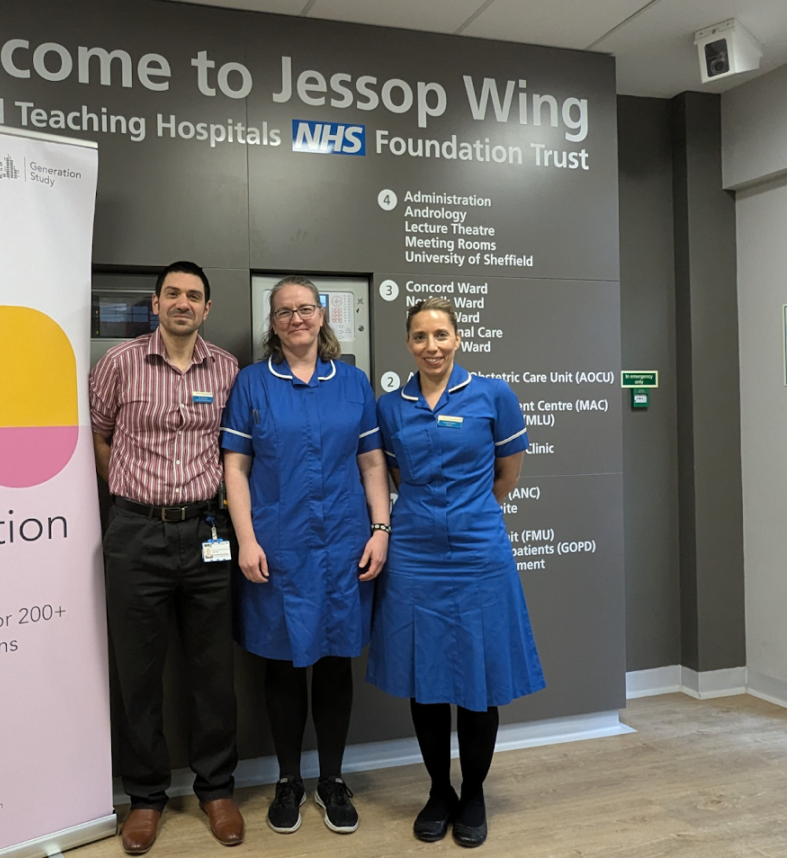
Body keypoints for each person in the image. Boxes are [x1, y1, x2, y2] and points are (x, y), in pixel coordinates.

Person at [367, 297, 545, 848]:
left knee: (477, 677)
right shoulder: (390, 406)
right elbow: (395, 473)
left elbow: (507, 473)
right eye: (420, 337)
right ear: (408, 343)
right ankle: (439, 790)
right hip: (414, 551)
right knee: (425, 677)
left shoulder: (493, 395)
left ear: (458, 338)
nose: (432, 346)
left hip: (478, 550)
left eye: (440, 335)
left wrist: (466, 513)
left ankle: (474, 793)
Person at [220, 275, 390, 836]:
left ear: (322, 316)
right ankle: (289, 780)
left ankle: (333, 780)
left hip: (344, 542)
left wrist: (380, 529)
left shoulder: (353, 383)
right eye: (284, 311)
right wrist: (246, 539)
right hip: (278, 546)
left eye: (306, 309)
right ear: (272, 324)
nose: (296, 318)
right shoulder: (252, 383)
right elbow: (236, 467)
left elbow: (371, 463)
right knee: (284, 663)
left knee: (337, 660)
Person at [89, 261, 244, 855]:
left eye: (194, 296)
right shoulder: (119, 362)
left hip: (207, 532)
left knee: (213, 670)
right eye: (173, 294)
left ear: (207, 309)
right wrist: (131, 495)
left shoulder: (226, 369)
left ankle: (217, 789)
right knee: (138, 673)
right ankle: (146, 797)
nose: (183, 303)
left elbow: (233, 451)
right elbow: (100, 433)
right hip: (135, 534)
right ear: (155, 304)